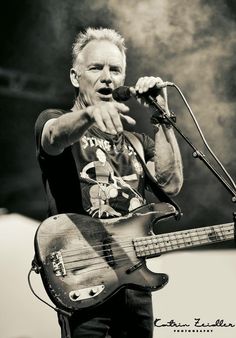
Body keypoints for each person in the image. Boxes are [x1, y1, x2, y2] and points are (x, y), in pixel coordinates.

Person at [35, 27, 183, 338]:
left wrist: (162, 115)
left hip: (133, 281)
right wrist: (90, 114)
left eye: (115, 69)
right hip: (83, 277)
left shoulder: (137, 142)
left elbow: (169, 185)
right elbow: (53, 135)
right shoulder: (59, 121)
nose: (107, 77)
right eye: (96, 68)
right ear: (76, 77)